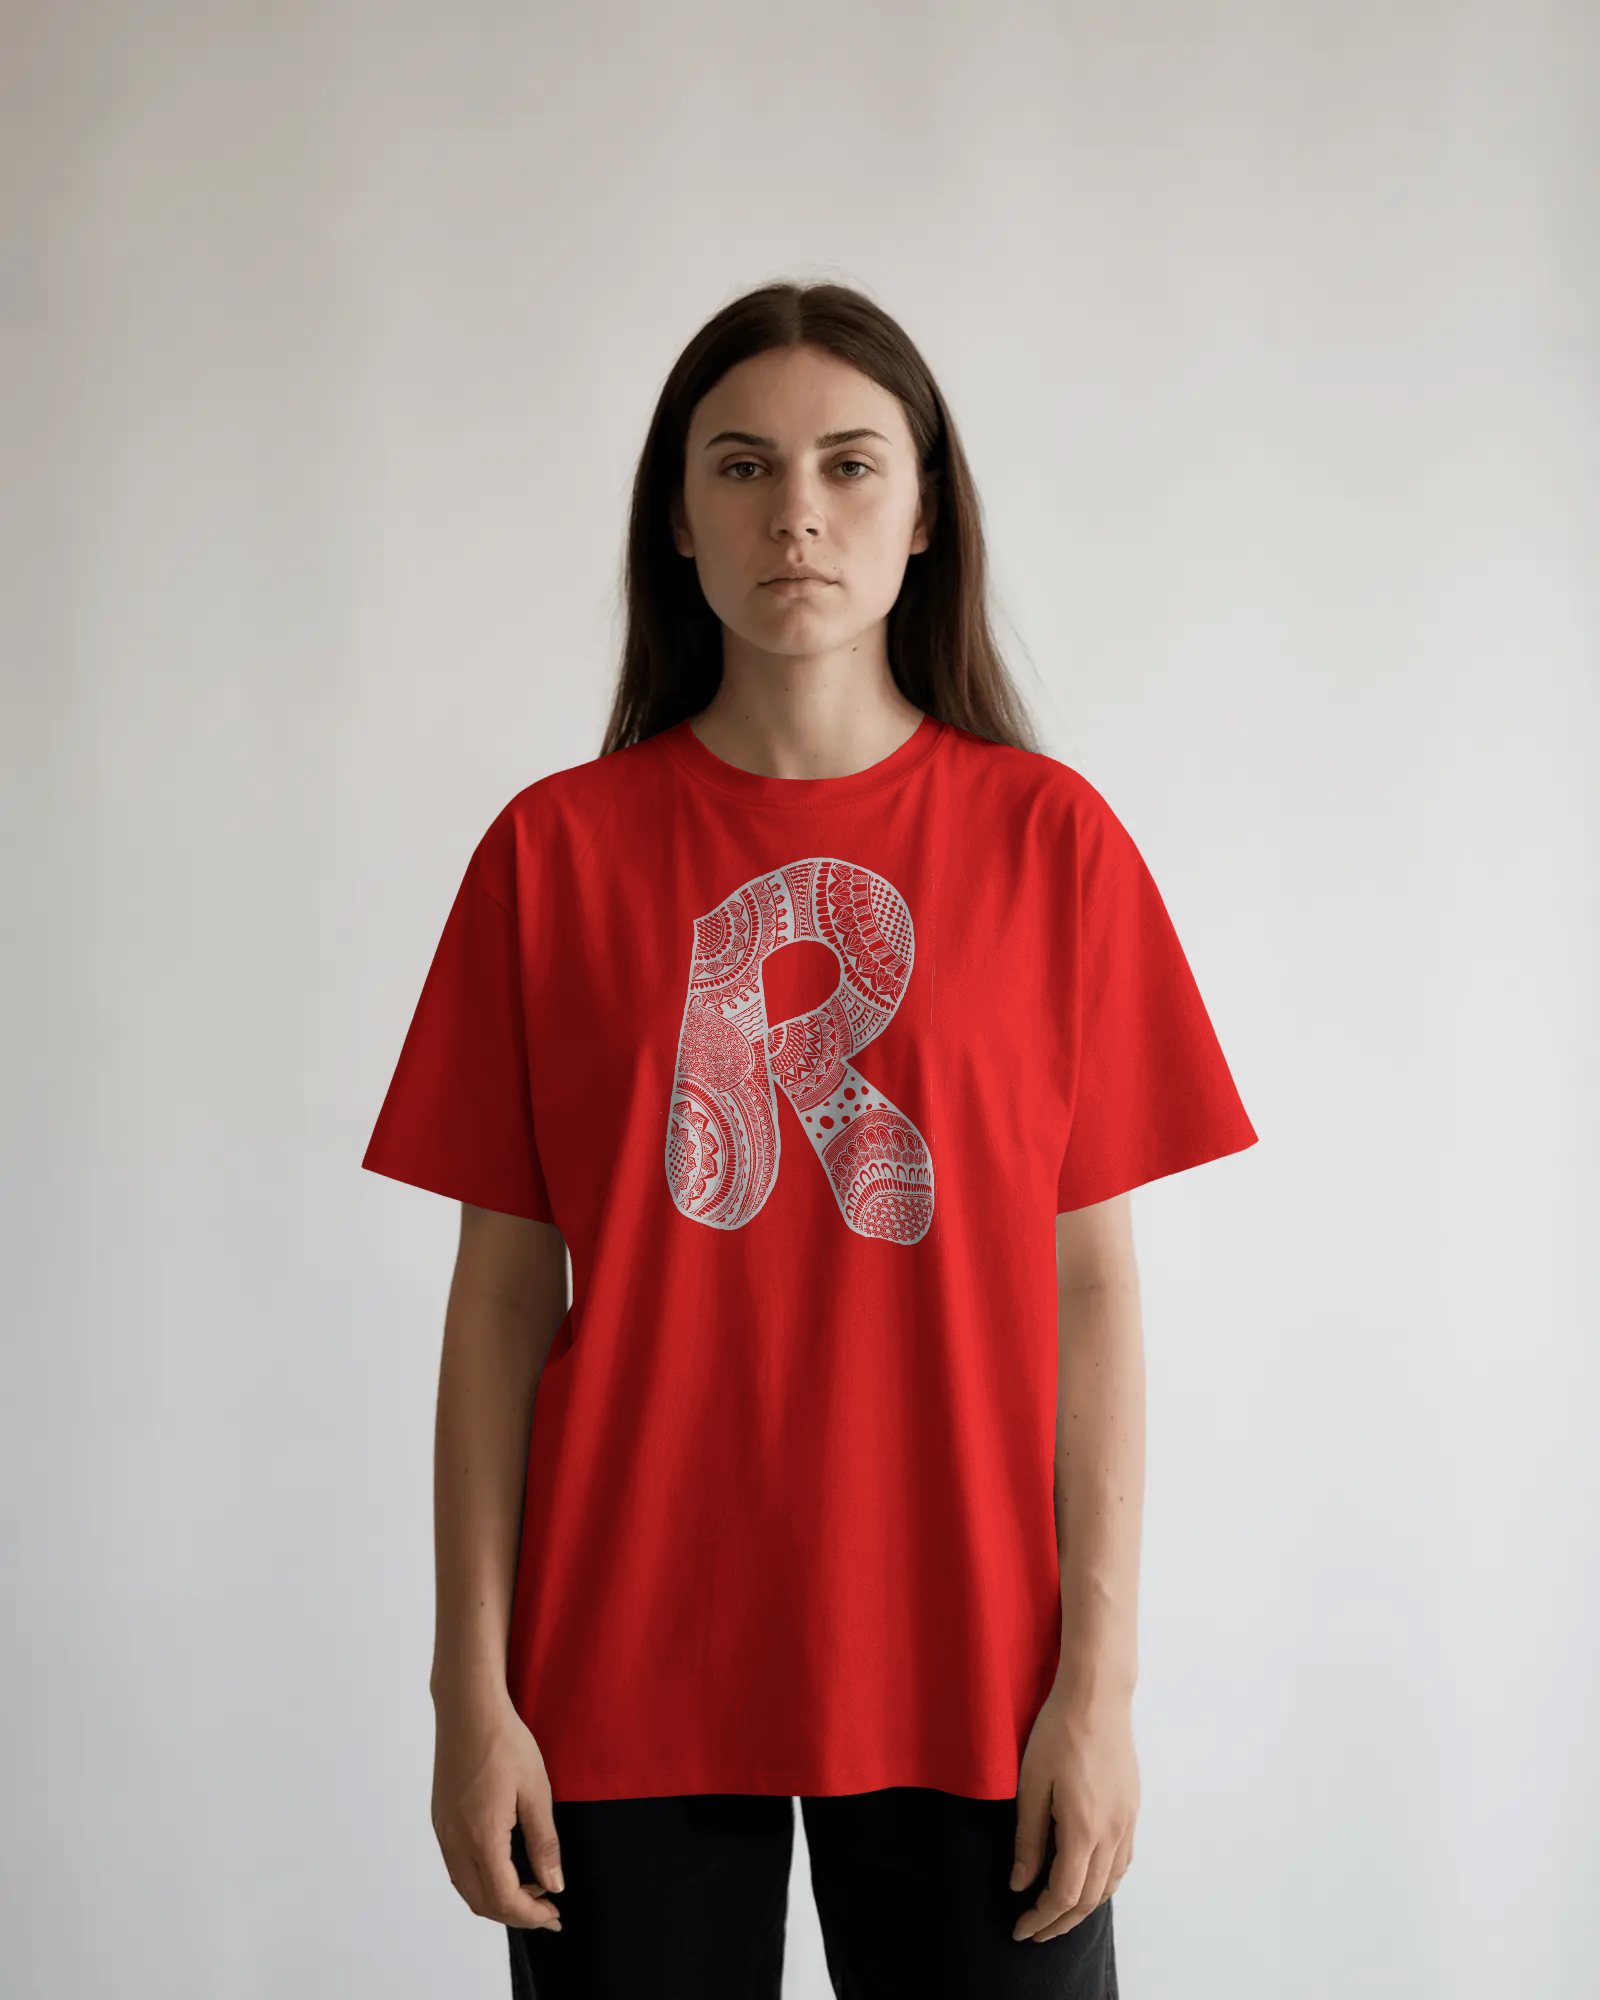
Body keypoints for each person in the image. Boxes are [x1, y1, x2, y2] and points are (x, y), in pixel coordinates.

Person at [361, 279, 1258, 1997]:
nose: (797, 514)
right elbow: (495, 1307)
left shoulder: (1051, 849)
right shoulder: (551, 860)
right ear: (677, 521)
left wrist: (1103, 1688)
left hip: (973, 1665)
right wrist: (468, 1693)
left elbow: (1092, 1295)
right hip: (616, 1670)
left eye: (852, 466)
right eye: (743, 467)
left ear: (926, 517)